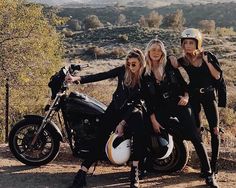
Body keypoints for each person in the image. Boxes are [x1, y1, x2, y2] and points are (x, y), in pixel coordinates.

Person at [141, 38, 219, 188]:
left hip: (180, 102)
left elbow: (185, 84)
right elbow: (147, 100)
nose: (156, 53)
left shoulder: (170, 65)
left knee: (196, 137)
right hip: (161, 108)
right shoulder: (145, 73)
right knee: (150, 126)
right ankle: (143, 166)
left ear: (162, 52)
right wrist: (153, 119)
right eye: (153, 50)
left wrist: (186, 96)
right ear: (148, 52)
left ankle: (209, 174)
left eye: (159, 49)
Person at [66, 48, 146, 188]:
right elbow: (102, 75)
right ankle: (82, 172)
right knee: (100, 137)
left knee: (139, 130)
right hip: (115, 109)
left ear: (141, 63)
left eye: (134, 64)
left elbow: (137, 102)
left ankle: (135, 173)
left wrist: (122, 123)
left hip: (132, 112)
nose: (130, 67)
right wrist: (77, 79)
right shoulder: (123, 71)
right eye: (128, 64)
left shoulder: (145, 77)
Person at [170, 28, 226, 179]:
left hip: (208, 96)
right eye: (185, 43)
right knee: (196, 130)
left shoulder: (207, 56)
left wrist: (207, 62)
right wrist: (171, 59)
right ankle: (204, 165)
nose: (188, 45)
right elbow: (173, 67)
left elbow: (218, 76)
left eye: (191, 42)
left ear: (198, 43)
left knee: (215, 130)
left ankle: (213, 166)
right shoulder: (184, 60)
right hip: (194, 97)